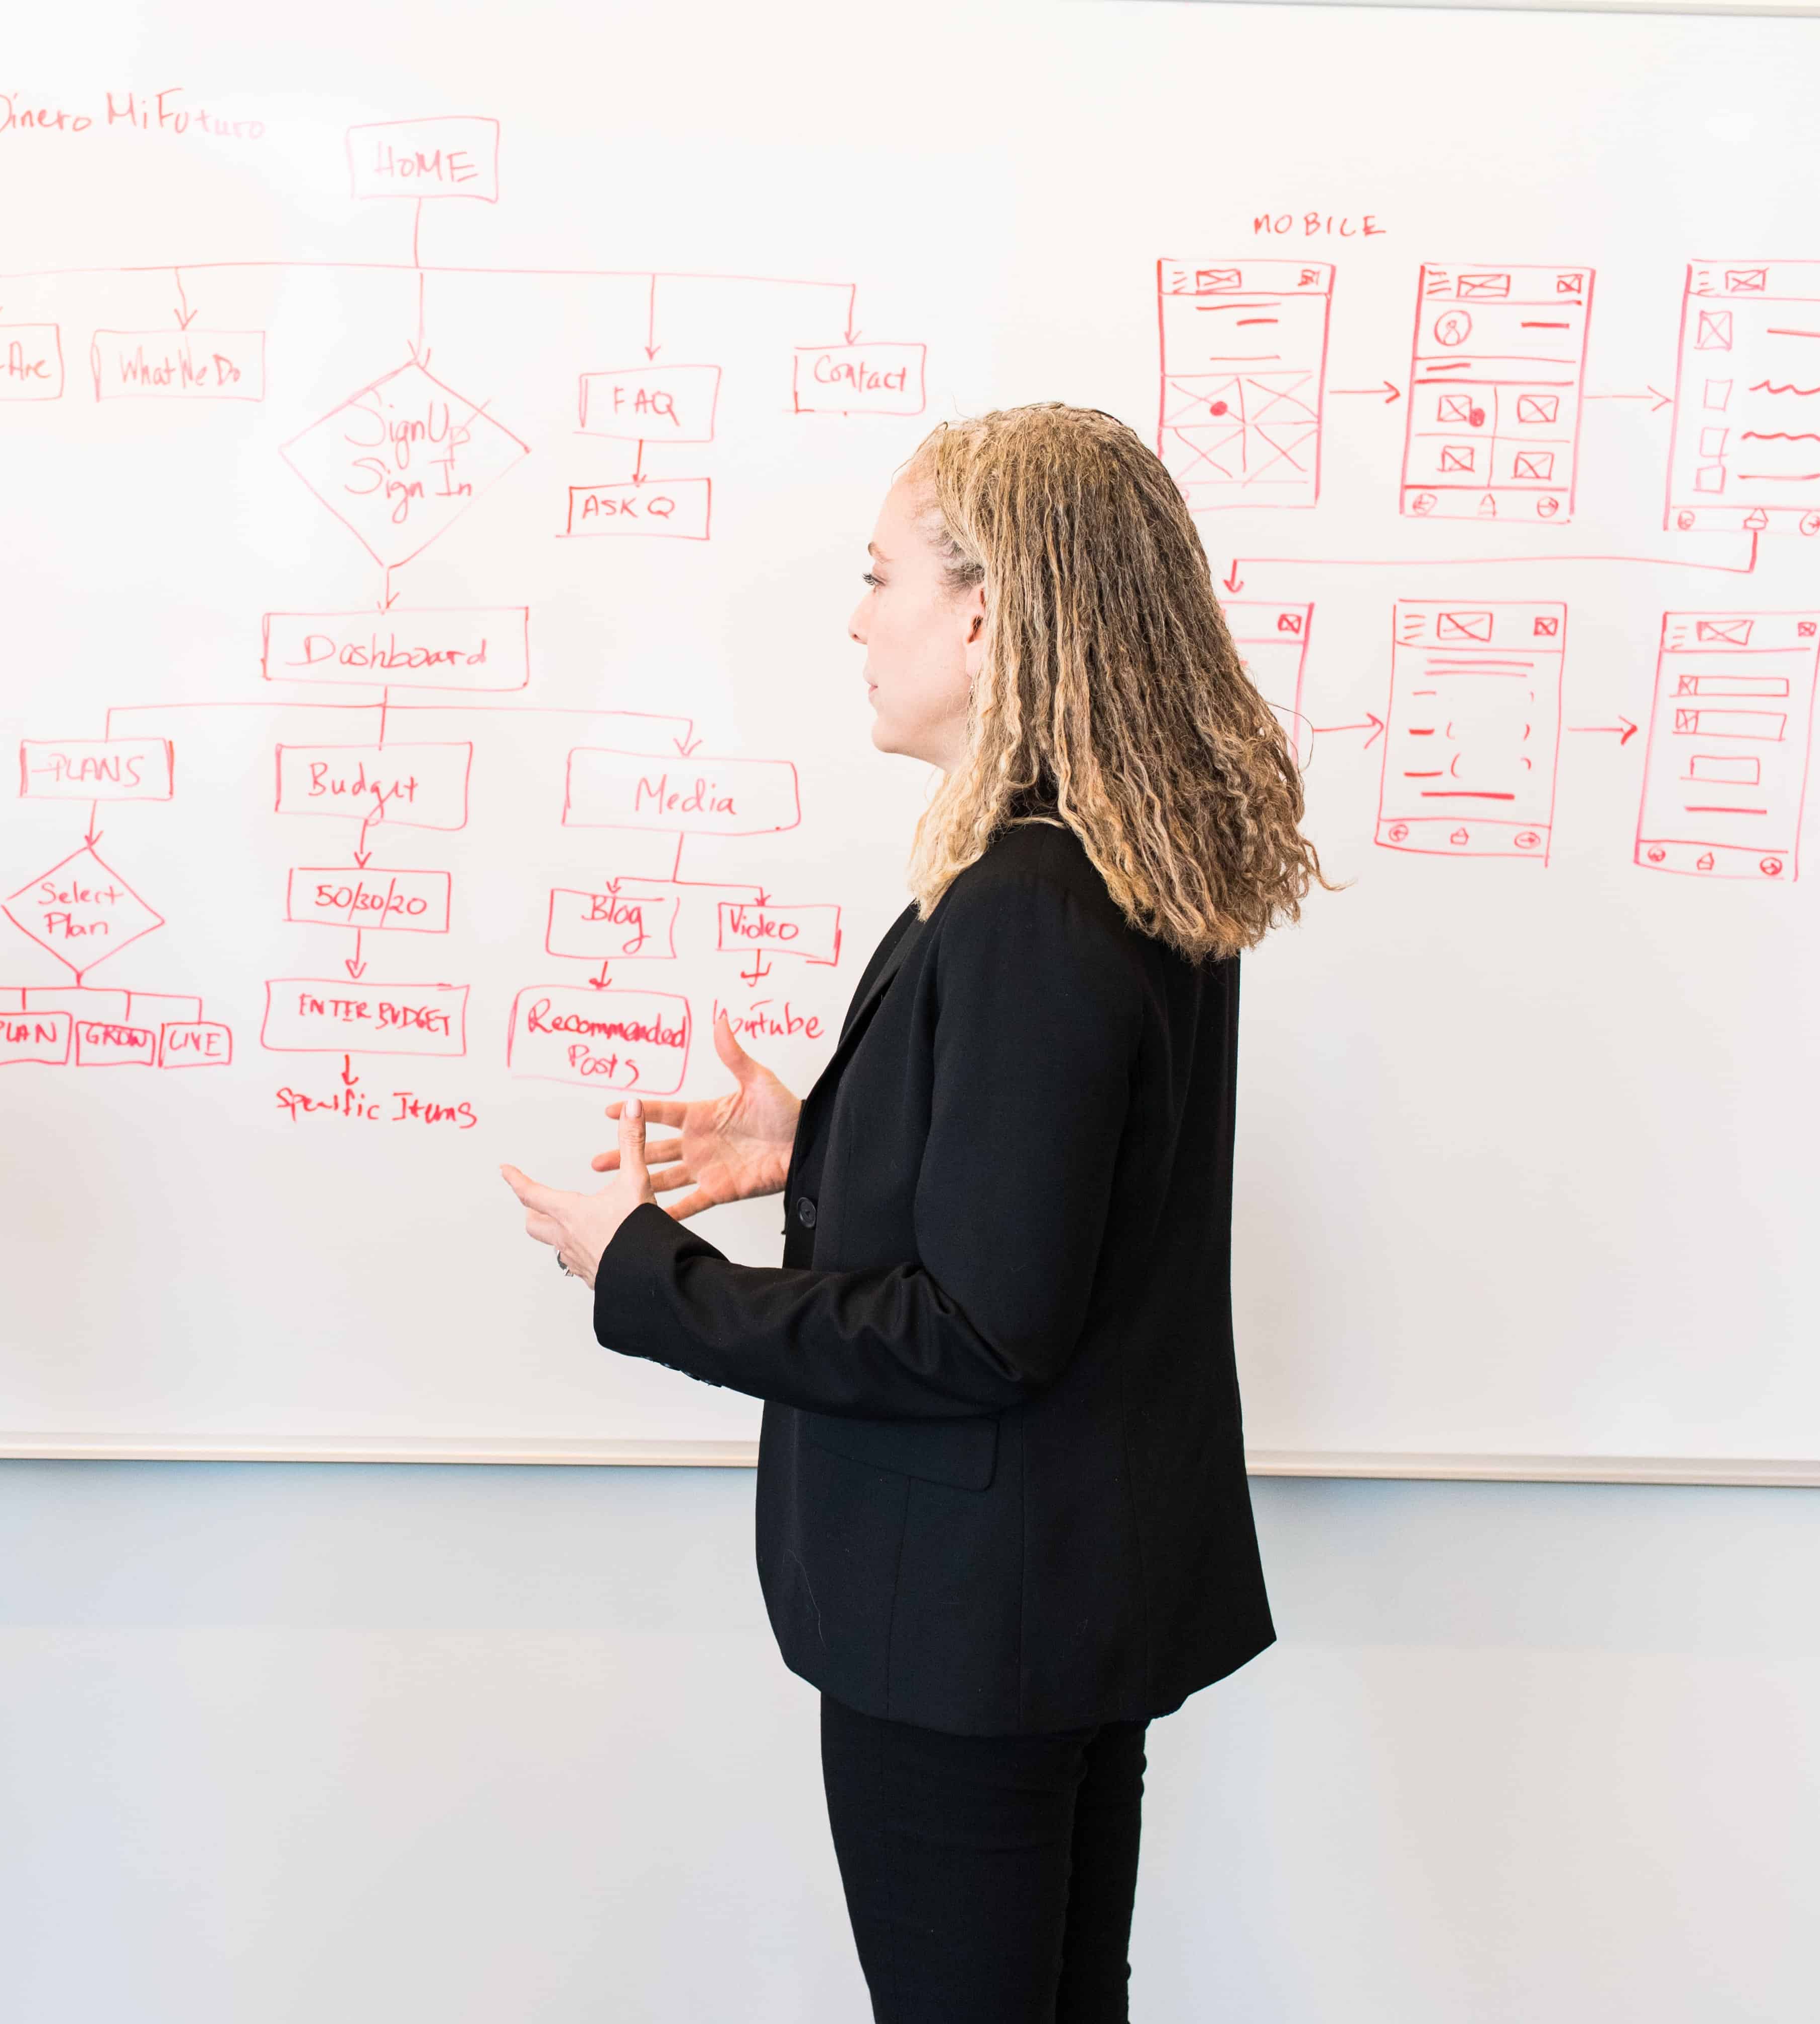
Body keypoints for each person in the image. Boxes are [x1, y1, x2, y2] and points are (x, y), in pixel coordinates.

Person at [501, 404, 1322, 2022]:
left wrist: (646, 1272)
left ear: (988, 613)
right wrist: (818, 1147)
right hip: (1054, 1609)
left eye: (883, 579)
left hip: (971, 1637)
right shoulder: (1124, 870)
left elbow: (976, 1329)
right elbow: (1060, 1206)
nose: (859, 619)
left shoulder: (1026, 900)